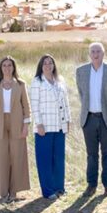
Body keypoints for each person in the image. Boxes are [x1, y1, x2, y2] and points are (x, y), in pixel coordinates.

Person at [75, 42, 107, 197]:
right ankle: (91, 185)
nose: (95, 54)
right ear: (90, 54)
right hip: (88, 119)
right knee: (91, 154)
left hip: (106, 119)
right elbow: (82, 94)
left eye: (98, 51)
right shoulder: (81, 71)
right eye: (93, 51)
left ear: (103, 53)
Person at [0, 56, 31, 202]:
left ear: (13, 68)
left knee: (17, 157)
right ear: (1, 68)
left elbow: (26, 106)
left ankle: (14, 192)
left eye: (10, 65)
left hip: (17, 123)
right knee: (2, 158)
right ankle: (3, 192)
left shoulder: (20, 84)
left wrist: (26, 126)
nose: (7, 68)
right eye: (4, 65)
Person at [30, 54, 71, 200]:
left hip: (60, 125)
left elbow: (66, 102)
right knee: (45, 160)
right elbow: (34, 105)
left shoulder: (60, 81)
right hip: (44, 127)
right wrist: (39, 123)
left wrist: (68, 120)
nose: (48, 65)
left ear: (54, 65)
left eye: (50, 63)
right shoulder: (37, 82)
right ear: (41, 66)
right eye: (45, 63)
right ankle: (48, 191)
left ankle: (59, 187)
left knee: (59, 158)